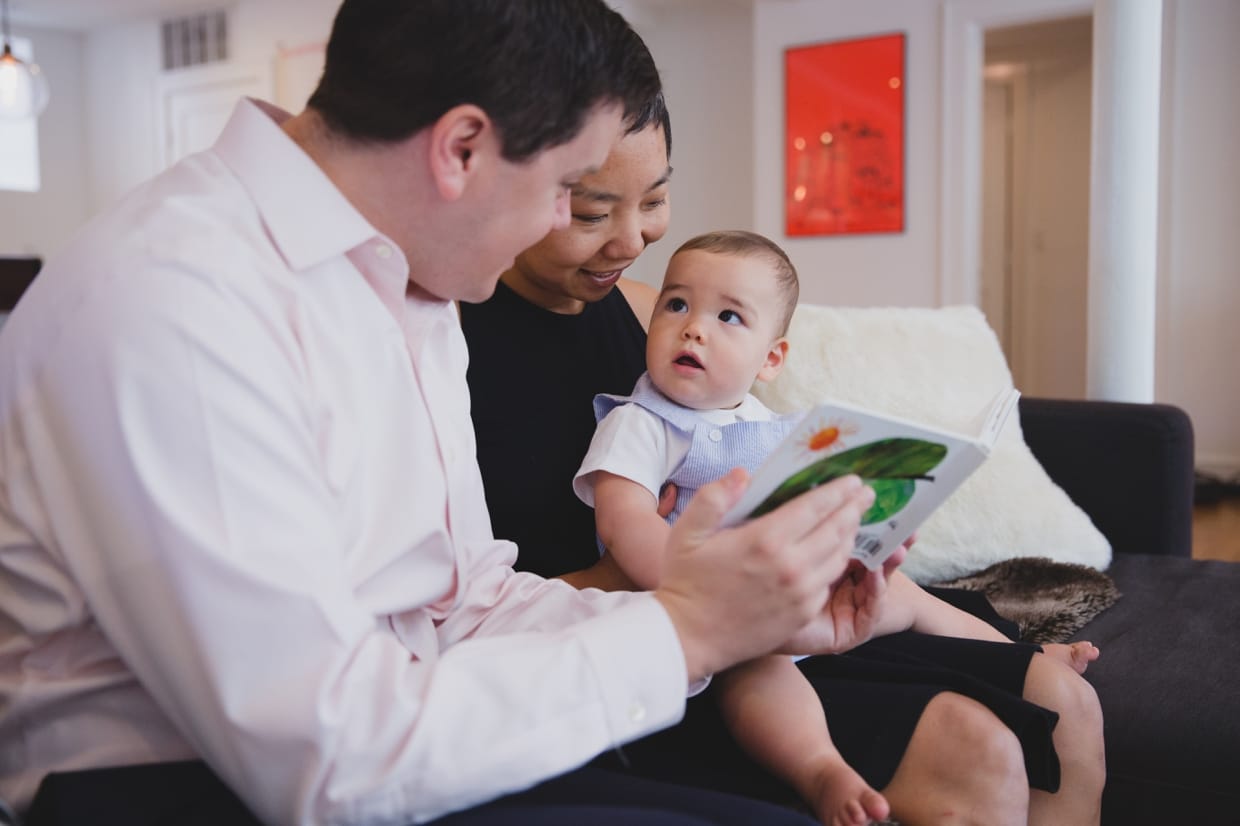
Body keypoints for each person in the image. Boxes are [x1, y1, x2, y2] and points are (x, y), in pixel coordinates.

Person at [0, 3, 884, 825]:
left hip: (405, 730)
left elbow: (465, 602)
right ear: (461, 148)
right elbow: (326, 757)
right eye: (569, 189)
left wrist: (734, 612)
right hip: (174, 790)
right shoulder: (175, 302)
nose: (561, 225)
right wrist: (688, 632)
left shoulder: (409, 283)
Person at [461, 117, 1107, 824]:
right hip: (644, 642)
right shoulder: (451, 350)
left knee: (1067, 702)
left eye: (652, 201)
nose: (630, 242)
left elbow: (754, 441)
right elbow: (455, 608)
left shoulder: (650, 312)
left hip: (780, 605)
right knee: (978, 752)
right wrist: (695, 576)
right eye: (591, 211)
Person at [573, 229, 1101, 825]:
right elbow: (624, 525)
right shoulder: (641, 422)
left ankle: (1019, 651)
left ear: (770, 359)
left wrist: (866, 524)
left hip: (794, 581)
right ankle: (820, 767)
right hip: (715, 611)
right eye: (676, 305)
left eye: (728, 316)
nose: (695, 327)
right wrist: (701, 585)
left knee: (901, 590)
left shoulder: (771, 424)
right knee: (759, 667)